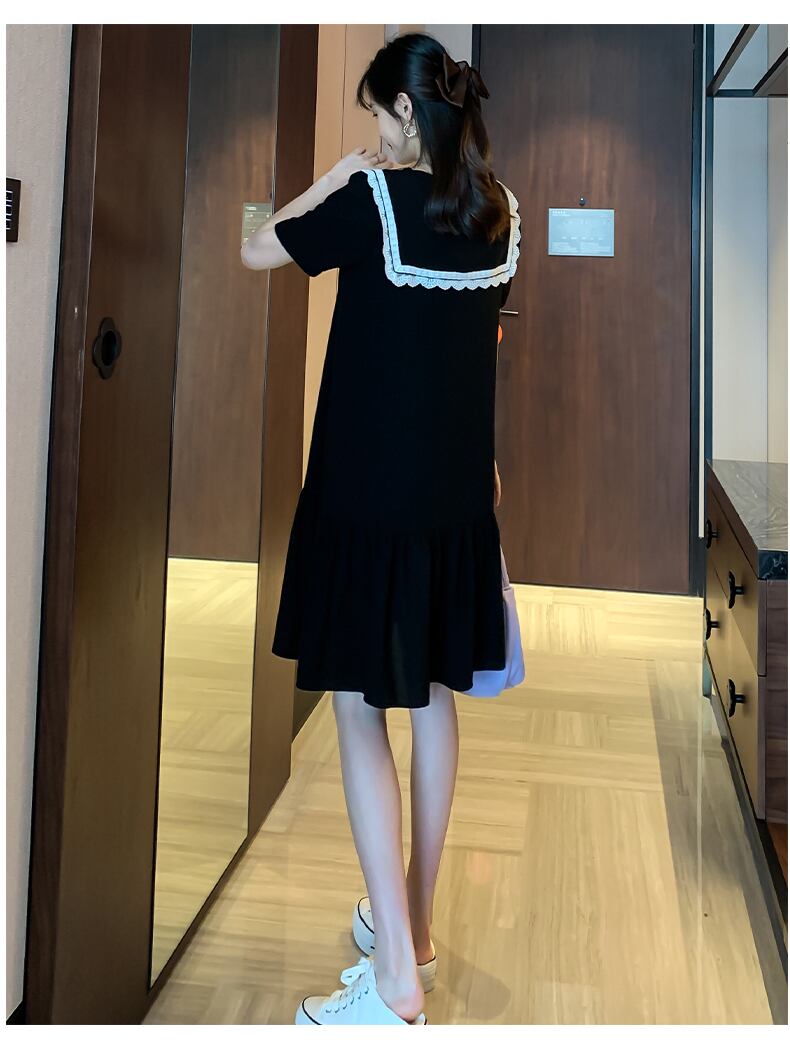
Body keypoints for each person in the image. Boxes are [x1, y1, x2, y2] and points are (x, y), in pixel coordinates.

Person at [241, 31, 520, 1027]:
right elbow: (480, 341)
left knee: (362, 707)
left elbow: (257, 244)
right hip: (455, 502)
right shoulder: (498, 209)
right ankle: (417, 927)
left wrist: (332, 176)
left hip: (367, 498)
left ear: (407, 112)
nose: (372, 132)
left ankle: (396, 979)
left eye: (375, 114)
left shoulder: (371, 200)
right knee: (432, 697)